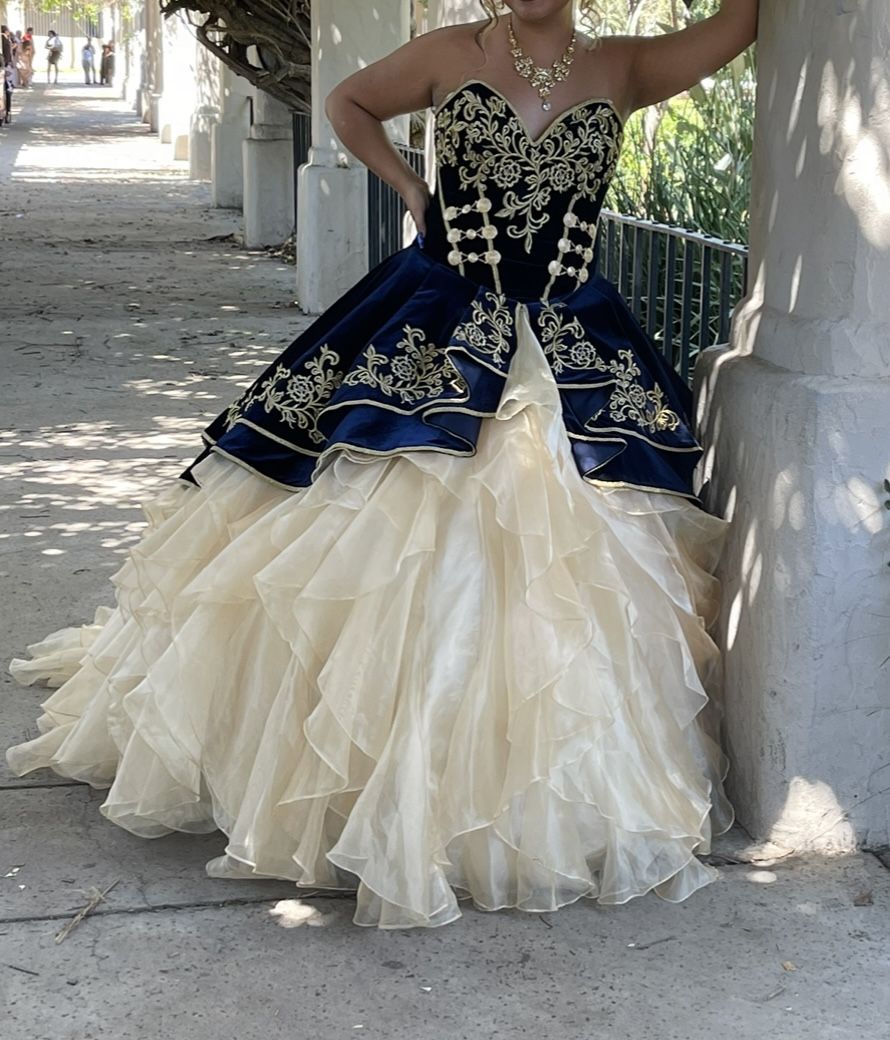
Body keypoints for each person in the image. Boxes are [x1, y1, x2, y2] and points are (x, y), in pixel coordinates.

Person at [7, 0, 759, 929]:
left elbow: (743, 22)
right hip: (441, 318)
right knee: (383, 536)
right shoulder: (451, 52)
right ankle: (371, 790)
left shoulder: (629, 66)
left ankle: (541, 797)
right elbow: (351, 102)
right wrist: (410, 188)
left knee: (569, 561)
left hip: (573, 341)